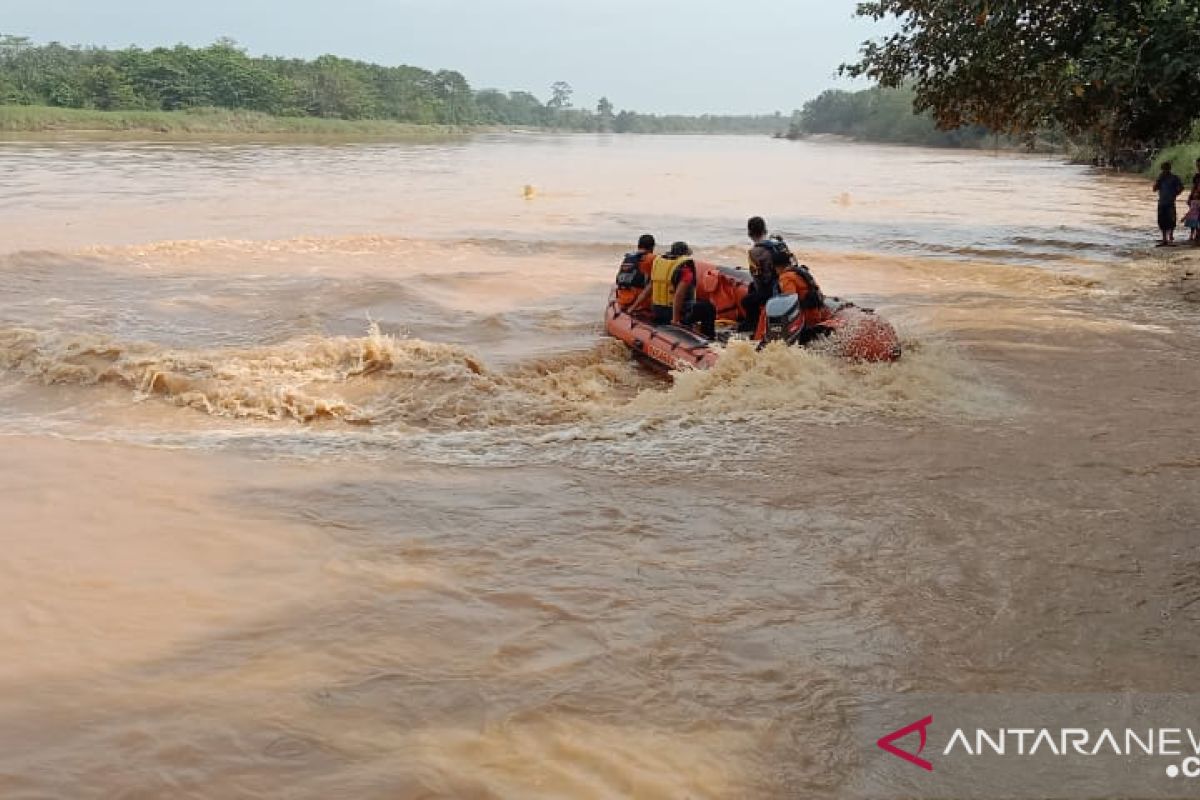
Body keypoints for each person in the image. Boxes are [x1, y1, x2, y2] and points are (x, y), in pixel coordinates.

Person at [643, 241, 716, 338]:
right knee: (707, 307)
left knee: (699, 303)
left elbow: (647, 290)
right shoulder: (686, 270)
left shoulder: (660, 265)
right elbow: (678, 295)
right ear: (685, 255)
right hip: (674, 313)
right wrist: (675, 320)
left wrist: (633, 307)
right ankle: (708, 337)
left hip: (658, 311)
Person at [741, 216, 777, 332]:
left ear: (750, 233)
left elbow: (759, 279)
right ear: (765, 230)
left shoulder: (754, 252)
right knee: (751, 288)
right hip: (783, 284)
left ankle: (752, 326)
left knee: (746, 301)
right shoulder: (777, 244)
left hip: (772, 290)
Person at [615, 234, 656, 310]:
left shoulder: (628, 257)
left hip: (623, 298)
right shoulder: (652, 259)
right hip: (640, 303)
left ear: (638, 245)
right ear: (652, 247)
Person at [1153, 161, 1185, 246]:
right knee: (1162, 220)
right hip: (1162, 202)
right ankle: (1164, 239)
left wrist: (1175, 194)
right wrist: (1158, 181)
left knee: (1171, 220)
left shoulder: (1174, 178)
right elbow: (1154, 189)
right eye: (1163, 169)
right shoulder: (1160, 178)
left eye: (1166, 169)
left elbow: (1181, 188)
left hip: (1170, 202)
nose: (1164, 171)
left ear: (1169, 169)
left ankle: (1170, 237)